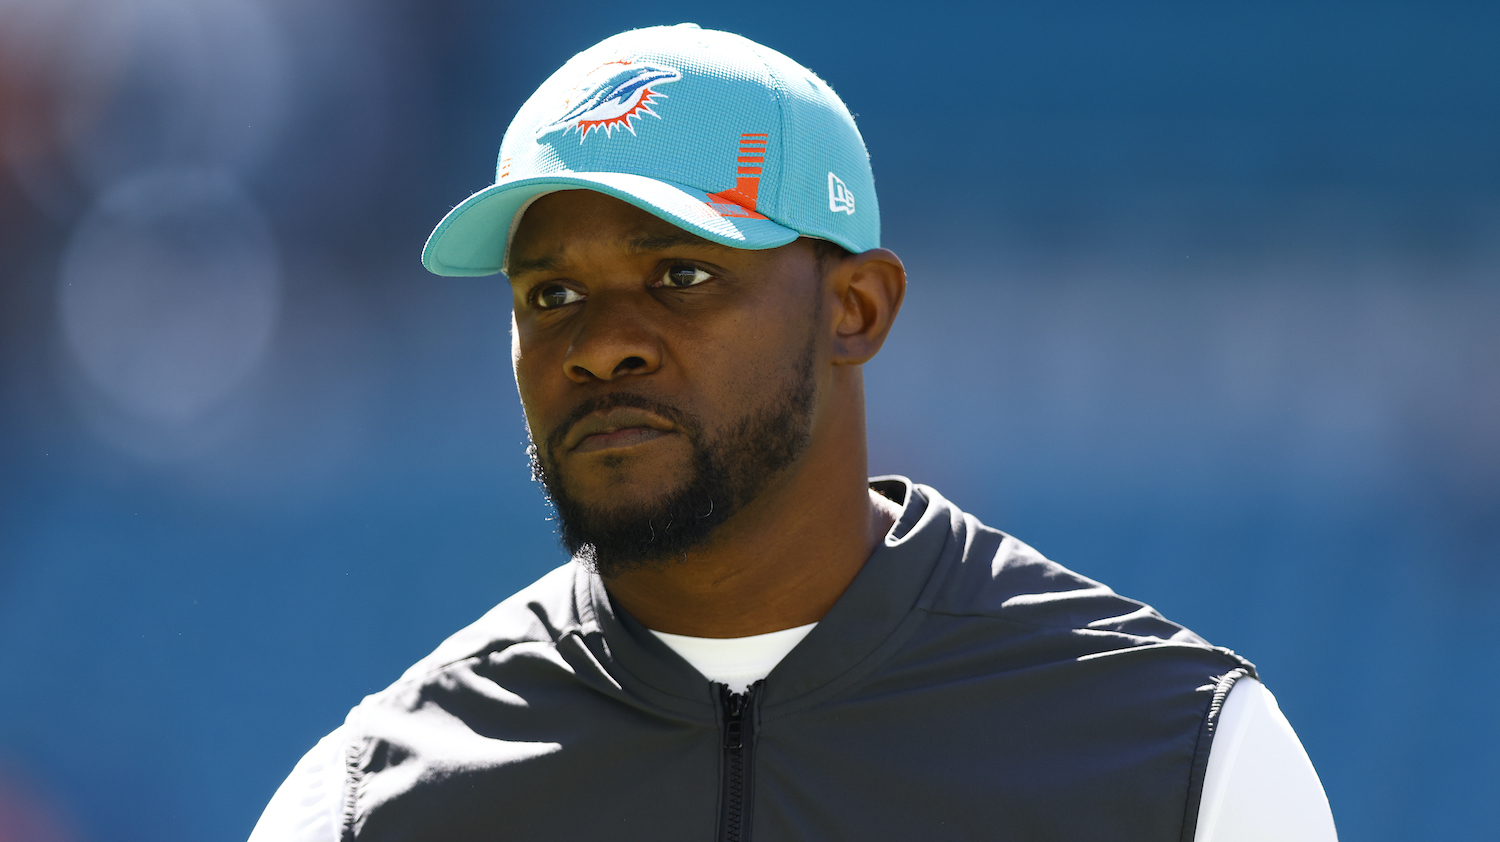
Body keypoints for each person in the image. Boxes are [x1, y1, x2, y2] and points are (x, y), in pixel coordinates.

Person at [249, 24, 1336, 842]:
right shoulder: (367, 799)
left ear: (855, 309)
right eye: (549, 295)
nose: (599, 345)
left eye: (682, 274)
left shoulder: (1176, 757)